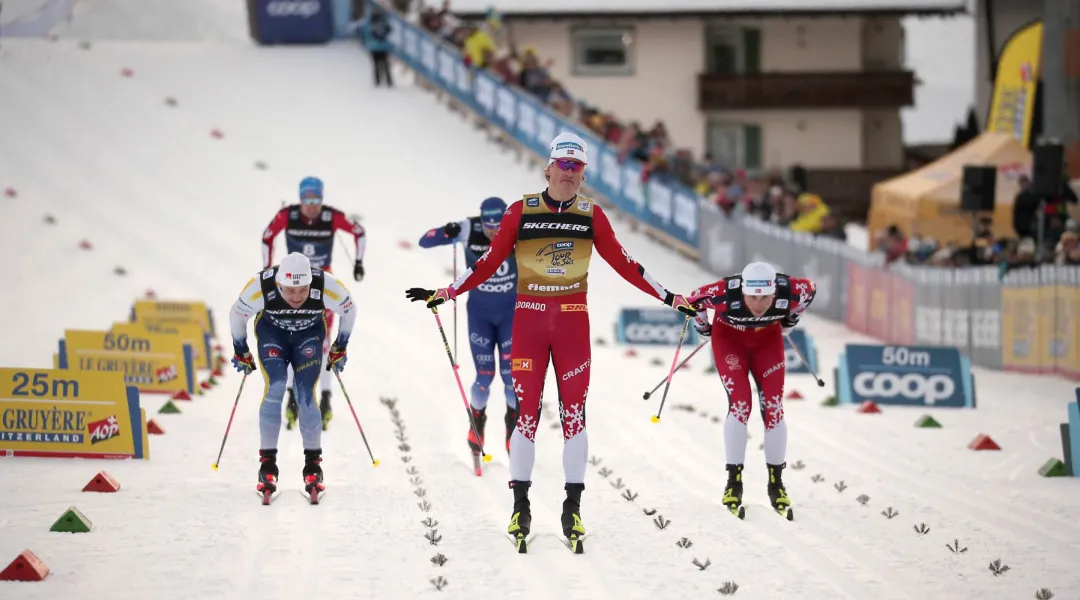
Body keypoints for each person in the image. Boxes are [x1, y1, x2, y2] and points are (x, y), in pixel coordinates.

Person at [405, 132, 696, 552]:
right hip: (529, 321)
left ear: (583, 176)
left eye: (577, 168)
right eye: (563, 165)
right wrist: (446, 292)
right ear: (548, 168)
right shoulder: (520, 211)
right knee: (526, 415)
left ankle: (571, 508)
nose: (569, 174)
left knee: (574, 415)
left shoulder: (592, 215)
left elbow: (627, 264)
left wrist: (671, 297)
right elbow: (488, 262)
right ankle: (520, 506)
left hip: (573, 324)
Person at [686, 261, 816, 520]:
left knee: (774, 408)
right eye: (752, 298)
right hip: (730, 341)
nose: (758, 305)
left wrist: (791, 319)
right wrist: (704, 329)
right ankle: (733, 483)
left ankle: (776, 483)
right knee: (741, 404)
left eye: (765, 298)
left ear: (773, 293)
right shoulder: (724, 293)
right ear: (742, 292)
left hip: (767, 342)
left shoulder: (791, 290)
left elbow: (811, 290)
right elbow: (694, 299)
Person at [229, 252, 357, 498]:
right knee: (276, 386)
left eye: (303, 290)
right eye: (289, 291)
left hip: (307, 336)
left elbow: (350, 310)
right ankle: (267, 465)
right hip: (272, 336)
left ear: (311, 282)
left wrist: (341, 345)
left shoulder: (326, 284)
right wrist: (240, 349)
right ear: (279, 284)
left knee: (305, 394)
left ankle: (313, 467)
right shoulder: (261, 286)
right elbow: (237, 314)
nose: (296, 297)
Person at [262, 176, 365, 432]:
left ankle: (326, 399)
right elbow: (267, 236)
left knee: (323, 342)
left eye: (316, 200)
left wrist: (359, 262)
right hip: (291, 286)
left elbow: (359, 232)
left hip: (322, 285)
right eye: (307, 200)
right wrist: (267, 269)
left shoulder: (331, 217)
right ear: (300, 199)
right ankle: (291, 397)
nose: (312, 206)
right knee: (288, 339)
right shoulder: (288, 215)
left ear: (321, 199)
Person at [417, 197, 519, 457]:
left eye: (499, 226)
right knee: (484, 375)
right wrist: (447, 230)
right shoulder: (469, 228)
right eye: (489, 226)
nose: (494, 232)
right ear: (481, 220)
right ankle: (477, 424)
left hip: (511, 317)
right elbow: (425, 240)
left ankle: (513, 428)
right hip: (480, 317)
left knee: (511, 377)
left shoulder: (517, 227)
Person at [354, 8, 393, 87]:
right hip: (383, 46)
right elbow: (389, 30)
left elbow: (364, 33)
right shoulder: (383, 22)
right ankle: (389, 81)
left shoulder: (369, 23)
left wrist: (364, 43)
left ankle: (377, 81)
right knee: (385, 64)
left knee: (376, 64)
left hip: (373, 47)